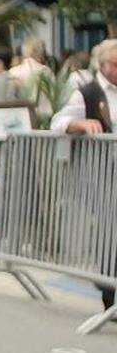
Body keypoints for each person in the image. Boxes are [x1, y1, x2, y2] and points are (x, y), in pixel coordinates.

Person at [49, 38, 116, 315]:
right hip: (102, 173)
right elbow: (58, 122)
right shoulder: (87, 93)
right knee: (109, 232)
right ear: (103, 65)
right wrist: (80, 123)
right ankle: (109, 295)